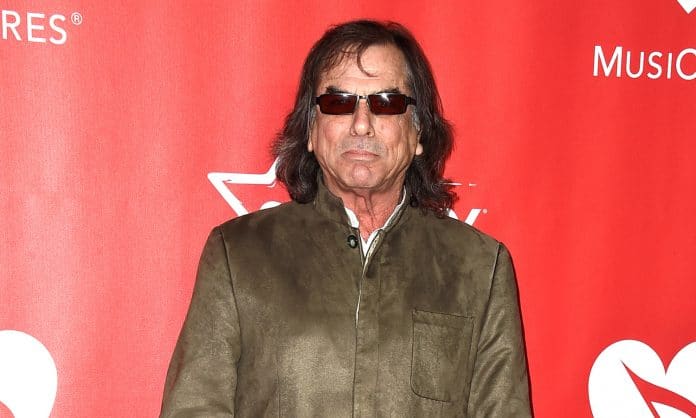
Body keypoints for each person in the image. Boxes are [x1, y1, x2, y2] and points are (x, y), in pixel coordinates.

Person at [160, 19, 531, 417]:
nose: (361, 124)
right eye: (338, 102)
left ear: (418, 133)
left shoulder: (479, 268)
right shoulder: (238, 255)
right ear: (310, 130)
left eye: (386, 102)